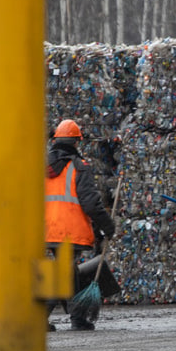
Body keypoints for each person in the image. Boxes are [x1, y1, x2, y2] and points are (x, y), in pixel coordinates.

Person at [44, 119, 115, 331]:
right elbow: (91, 203)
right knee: (64, 273)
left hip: (48, 230)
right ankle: (40, 318)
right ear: (76, 142)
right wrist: (107, 226)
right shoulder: (78, 167)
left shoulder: (41, 167)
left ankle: (77, 317)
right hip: (69, 230)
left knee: (68, 270)